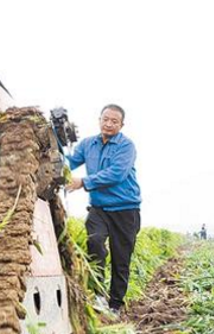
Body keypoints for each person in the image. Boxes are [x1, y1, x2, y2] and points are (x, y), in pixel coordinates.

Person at [65, 104, 141, 315]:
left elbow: (116, 173)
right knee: (95, 242)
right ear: (99, 120)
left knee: (121, 257)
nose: (108, 124)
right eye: (105, 119)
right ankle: (98, 294)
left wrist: (82, 182)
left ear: (121, 124)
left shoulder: (126, 146)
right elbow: (69, 161)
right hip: (99, 209)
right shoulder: (88, 144)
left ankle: (115, 304)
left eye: (114, 121)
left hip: (125, 209)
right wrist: (55, 164)